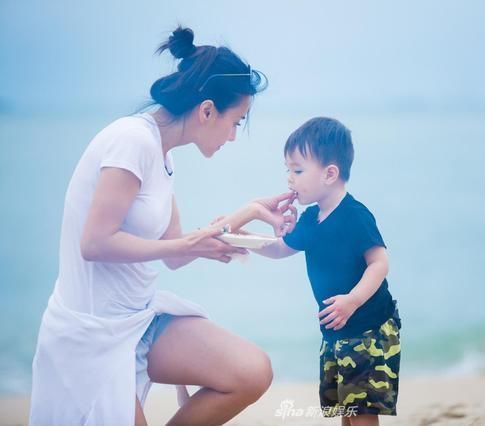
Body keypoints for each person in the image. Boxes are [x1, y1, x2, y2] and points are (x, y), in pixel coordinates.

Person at [29, 26, 297, 426]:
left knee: (252, 371)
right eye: (236, 122)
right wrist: (186, 245)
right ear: (207, 110)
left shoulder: (163, 155)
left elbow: (175, 252)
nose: (233, 136)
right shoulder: (132, 141)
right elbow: (95, 242)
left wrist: (251, 212)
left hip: (139, 320)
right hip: (92, 334)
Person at [252, 117, 401, 426]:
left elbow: (380, 263)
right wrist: (241, 241)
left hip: (368, 329)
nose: (289, 179)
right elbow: (281, 248)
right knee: (345, 411)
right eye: (287, 170)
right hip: (336, 331)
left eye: (297, 170)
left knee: (361, 414)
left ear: (330, 173)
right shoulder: (310, 219)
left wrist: (353, 300)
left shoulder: (355, 216)